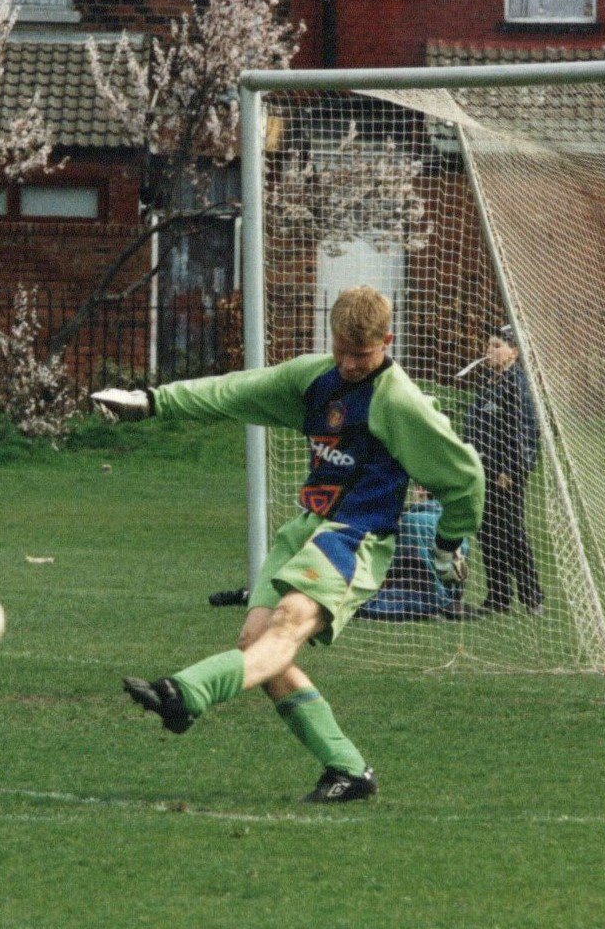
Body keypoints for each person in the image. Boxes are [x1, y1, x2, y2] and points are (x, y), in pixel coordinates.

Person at [93, 286, 483, 803]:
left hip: (355, 538)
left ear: (387, 341)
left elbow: (466, 479)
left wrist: (446, 544)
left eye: (361, 355)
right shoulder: (314, 378)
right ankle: (348, 770)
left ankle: (185, 692)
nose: (347, 363)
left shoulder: (400, 402)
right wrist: (154, 401)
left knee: (285, 629)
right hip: (305, 530)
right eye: (341, 350)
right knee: (256, 647)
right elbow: (236, 391)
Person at [461, 324, 543, 615]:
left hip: (506, 475)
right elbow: (475, 427)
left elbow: (525, 431)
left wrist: (511, 468)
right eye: (489, 345)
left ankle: (533, 598)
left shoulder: (518, 385)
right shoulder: (489, 384)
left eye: (497, 345)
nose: (490, 350)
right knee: (488, 532)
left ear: (514, 352)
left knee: (510, 531)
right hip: (484, 471)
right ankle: (498, 597)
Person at [355, 487, 471, 622]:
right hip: (451, 592)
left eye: (417, 489)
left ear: (421, 492)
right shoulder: (456, 525)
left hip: (421, 593)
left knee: (360, 604)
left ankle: (432, 609)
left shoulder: (411, 520)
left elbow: (401, 564)